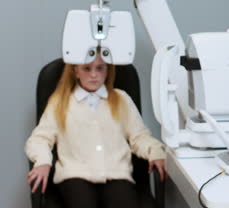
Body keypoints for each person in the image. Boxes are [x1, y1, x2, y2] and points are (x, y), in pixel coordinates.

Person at [25, 53, 166, 208]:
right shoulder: (60, 102)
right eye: (87, 68)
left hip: (115, 173)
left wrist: (155, 152)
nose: (94, 74)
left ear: (107, 70)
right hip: (75, 175)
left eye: (100, 68)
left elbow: (139, 136)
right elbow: (40, 139)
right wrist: (43, 161)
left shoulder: (122, 99)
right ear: (76, 71)